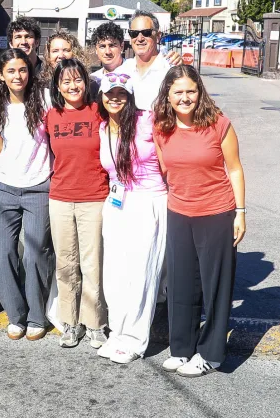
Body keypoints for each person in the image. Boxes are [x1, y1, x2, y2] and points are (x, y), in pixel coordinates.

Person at [153, 65, 246, 377]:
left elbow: (234, 168)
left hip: (217, 213)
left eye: (190, 91)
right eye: (178, 91)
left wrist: (241, 213)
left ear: (200, 91)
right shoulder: (161, 126)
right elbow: (166, 168)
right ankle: (182, 348)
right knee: (181, 285)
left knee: (215, 286)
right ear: (168, 94)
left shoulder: (218, 124)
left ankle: (211, 353)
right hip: (179, 212)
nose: (184, 97)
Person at [97, 71, 167, 364]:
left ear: (130, 97)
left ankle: (135, 340)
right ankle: (118, 332)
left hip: (148, 201)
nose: (115, 98)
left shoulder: (147, 121)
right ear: (101, 96)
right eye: (110, 93)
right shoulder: (103, 128)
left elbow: (169, 162)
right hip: (116, 204)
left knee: (140, 275)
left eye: (121, 94)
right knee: (114, 275)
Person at [0, 48, 54, 341]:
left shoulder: (44, 99)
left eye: (23, 69)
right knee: (1, 253)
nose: (18, 75)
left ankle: (37, 316)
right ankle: (16, 315)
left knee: (36, 254)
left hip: (39, 187)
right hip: (5, 188)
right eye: (11, 71)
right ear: (2, 75)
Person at [45, 59, 109, 349]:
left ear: (86, 81)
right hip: (59, 197)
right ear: (57, 86)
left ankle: (95, 323)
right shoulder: (51, 116)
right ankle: (69, 322)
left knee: (92, 263)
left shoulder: (99, 111)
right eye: (66, 81)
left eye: (78, 80)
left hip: (94, 197)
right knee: (66, 263)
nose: (73, 86)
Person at [115, 11, 174, 111]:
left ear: (158, 36)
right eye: (134, 33)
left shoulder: (171, 69)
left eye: (146, 33)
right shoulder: (122, 71)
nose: (140, 38)